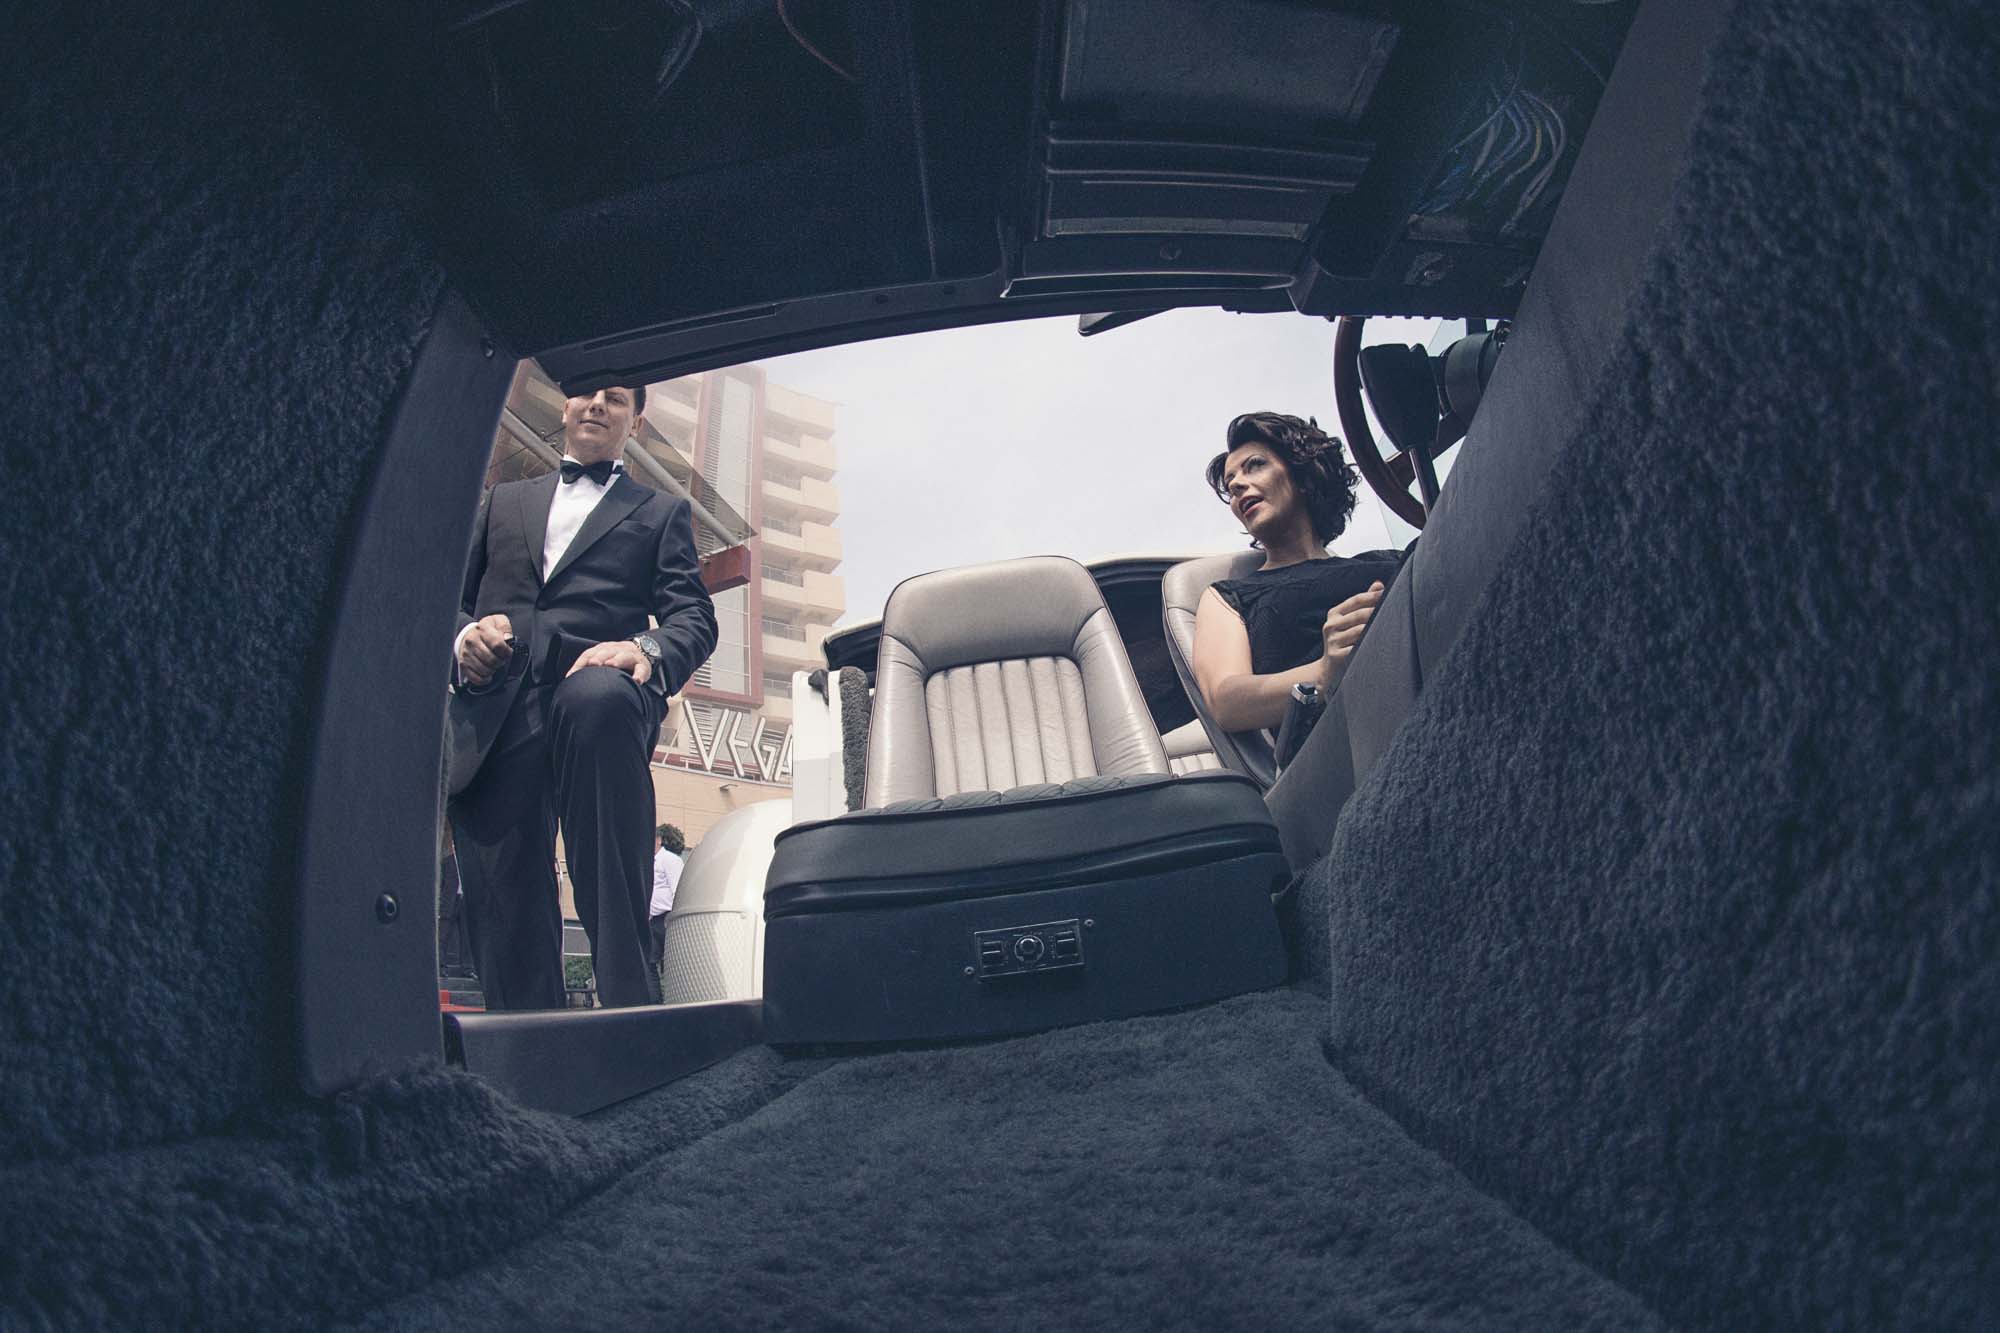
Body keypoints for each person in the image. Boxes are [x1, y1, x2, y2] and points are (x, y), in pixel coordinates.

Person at [448, 384, 717, 1010]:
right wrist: (464, 638)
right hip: (497, 706)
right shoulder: (501, 501)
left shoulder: (661, 512)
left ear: (636, 422)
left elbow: (693, 616)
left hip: (596, 699)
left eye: (616, 399)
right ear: (565, 409)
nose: (597, 405)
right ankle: (527, 1044)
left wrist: (644, 649)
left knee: (596, 704)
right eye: (586, 395)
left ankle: (631, 1016)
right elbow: (448, 599)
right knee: (502, 892)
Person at [1191, 412, 1406, 737]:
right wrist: (1323, 672)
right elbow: (1226, 702)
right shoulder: (1230, 596)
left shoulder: (1389, 561)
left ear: (1303, 474)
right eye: (1231, 484)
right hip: (1348, 739)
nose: (1235, 485)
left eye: (1254, 465)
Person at [647, 823, 685, 978]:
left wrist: (673, 918)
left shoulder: (670, 860)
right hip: (653, 919)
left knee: (673, 964)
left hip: (666, 918)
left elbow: (677, 890)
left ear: (659, 840)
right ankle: (654, 994)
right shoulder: (650, 862)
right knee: (649, 962)